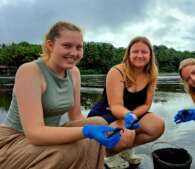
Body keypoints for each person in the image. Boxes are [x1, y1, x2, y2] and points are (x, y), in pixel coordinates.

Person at [0, 21, 120, 169]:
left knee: (99, 122)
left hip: (49, 132)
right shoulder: (30, 71)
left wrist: (96, 131)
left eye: (79, 47)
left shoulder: (74, 73)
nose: (74, 53)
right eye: (67, 46)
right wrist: (86, 132)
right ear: (50, 45)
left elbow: (75, 116)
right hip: (15, 139)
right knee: (70, 150)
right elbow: (34, 133)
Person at [88, 36, 165, 169]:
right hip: (107, 113)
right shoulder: (117, 71)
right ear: (128, 54)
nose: (139, 55)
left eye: (144, 52)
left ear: (150, 55)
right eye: (135, 51)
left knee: (157, 125)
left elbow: (146, 105)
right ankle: (108, 155)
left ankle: (125, 150)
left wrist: (133, 116)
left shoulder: (152, 74)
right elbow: (116, 106)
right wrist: (129, 116)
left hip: (132, 114)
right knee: (127, 133)